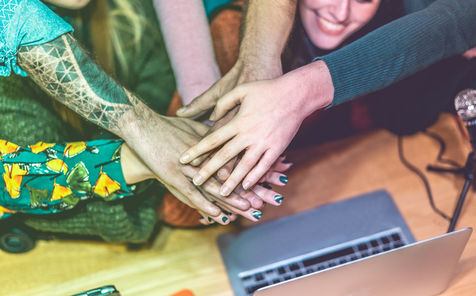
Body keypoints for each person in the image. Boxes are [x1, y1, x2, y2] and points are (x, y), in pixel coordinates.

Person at [0, 0, 281, 242]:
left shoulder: (131, 15)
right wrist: (147, 161)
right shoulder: (8, 69)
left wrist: (196, 155)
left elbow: (171, 124)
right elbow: (15, 189)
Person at [176, 0, 476, 197]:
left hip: (321, 194)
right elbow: (178, 198)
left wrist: (460, 52)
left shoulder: (372, 35)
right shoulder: (232, 34)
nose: (341, 12)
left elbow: (404, 119)